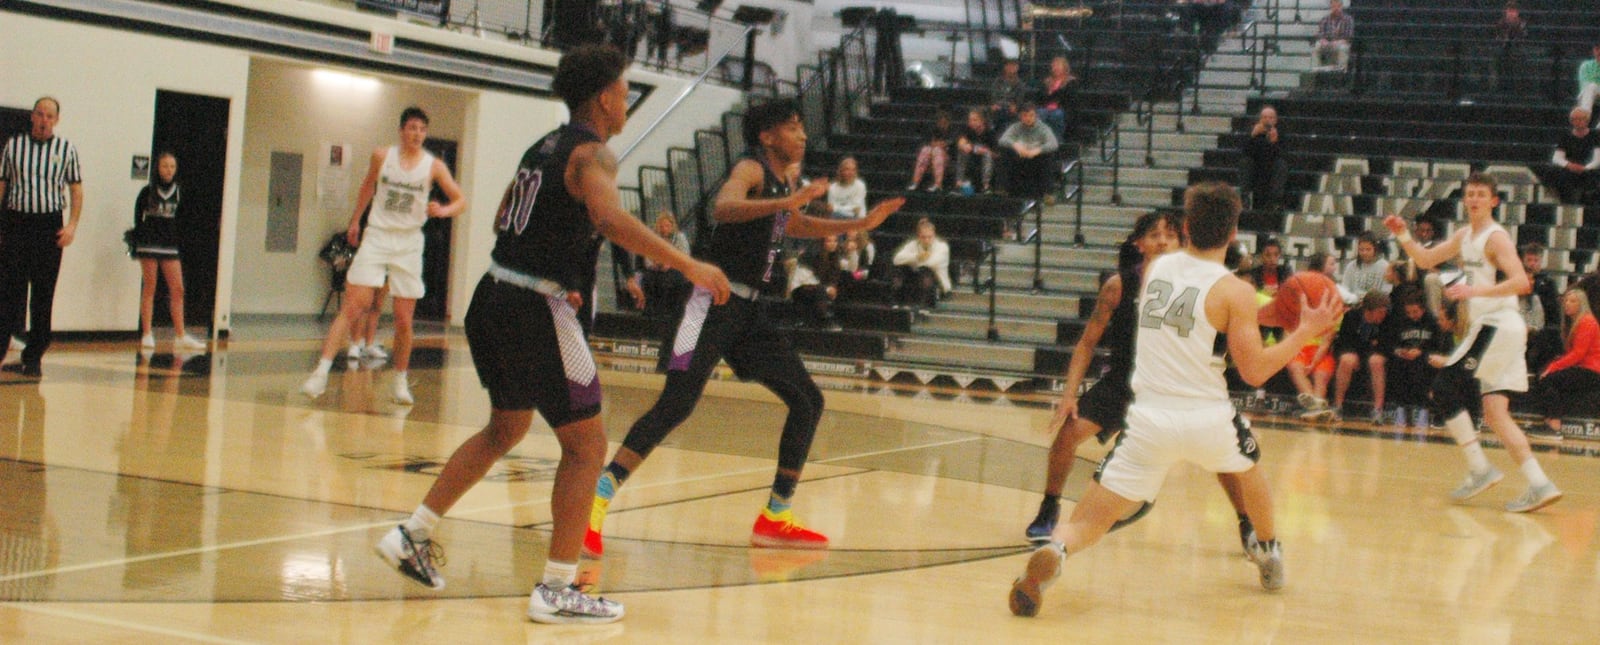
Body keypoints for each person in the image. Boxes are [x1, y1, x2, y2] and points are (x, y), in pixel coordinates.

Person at [372, 45, 731, 624]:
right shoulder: (594, 154)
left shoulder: (541, 148)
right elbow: (610, 219)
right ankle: (559, 586)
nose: (626, 99)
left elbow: (500, 221)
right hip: (535, 307)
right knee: (588, 446)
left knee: (505, 427)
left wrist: (559, 256)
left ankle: (413, 532)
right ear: (603, 97)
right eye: (622, 88)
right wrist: (689, 265)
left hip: (492, 295)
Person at [582, 99, 904, 559]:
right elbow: (726, 206)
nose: (803, 136)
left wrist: (860, 223)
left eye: (802, 128)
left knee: (808, 399)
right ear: (768, 136)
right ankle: (596, 499)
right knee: (676, 405)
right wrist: (787, 201)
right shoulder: (750, 169)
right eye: (793, 128)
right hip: (705, 300)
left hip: (748, 310)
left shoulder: (786, 181)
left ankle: (776, 515)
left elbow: (795, 221)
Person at [1009, 183, 1343, 617]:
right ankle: (1268, 550)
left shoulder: (1155, 270)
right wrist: (1302, 330)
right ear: (1234, 231)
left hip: (1148, 420)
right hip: (1208, 420)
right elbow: (1255, 370)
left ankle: (1057, 549)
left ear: (1185, 228)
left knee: (1090, 520)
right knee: (1249, 467)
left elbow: (1201, 304)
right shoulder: (1234, 291)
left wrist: (1267, 311)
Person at [1025, 210, 1261, 551]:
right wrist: (1069, 395)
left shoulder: (1198, 285)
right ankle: (1049, 507)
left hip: (1174, 386)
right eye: (1154, 235)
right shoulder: (1120, 285)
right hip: (1124, 382)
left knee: (1224, 457)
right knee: (1068, 433)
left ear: (1183, 243)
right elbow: (1087, 342)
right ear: (1139, 244)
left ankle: (1247, 523)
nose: (1163, 241)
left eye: (1170, 235)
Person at [1383, 172, 1563, 513]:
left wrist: (1474, 291)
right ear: (1464, 199)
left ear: (1494, 200)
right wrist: (1403, 234)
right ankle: (1540, 484)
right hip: (1501, 330)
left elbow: (1522, 282)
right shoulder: (1465, 234)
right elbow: (1424, 260)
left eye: (1482, 194)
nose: (1475, 199)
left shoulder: (1496, 239)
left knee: (1443, 388)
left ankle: (1480, 469)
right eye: (1470, 193)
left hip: (1498, 324)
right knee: (1496, 414)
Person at [301, 107, 466, 405]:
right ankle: (320, 373)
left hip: (408, 242)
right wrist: (355, 220)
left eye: (422, 129)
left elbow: (460, 200)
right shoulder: (381, 156)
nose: (417, 134)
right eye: (412, 128)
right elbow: (367, 186)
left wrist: (443, 210)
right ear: (402, 130)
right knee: (353, 305)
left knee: (404, 318)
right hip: (377, 236)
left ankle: (401, 380)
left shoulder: (434, 166)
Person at [0, 97, 82, 377]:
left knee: (43, 294)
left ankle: (33, 356)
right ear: (32, 116)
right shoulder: (14, 146)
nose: (44, 120)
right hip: (17, 223)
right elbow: (3, 183)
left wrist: (71, 225)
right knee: (8, 290)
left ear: (56, 120)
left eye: (49, 116)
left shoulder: (66, 149)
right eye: (39, 114)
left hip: (49, 226)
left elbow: (76, 189)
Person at [130, 152, 206, 351]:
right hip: (149, 242)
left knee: (178, 289)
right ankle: (146, 333)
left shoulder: (179, 191)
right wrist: (136, 241)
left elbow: (184, 218)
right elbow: (138, 217)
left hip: (169, 244)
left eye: (172, 166)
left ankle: (180, 335)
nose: (169, 170)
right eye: (165, 166)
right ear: (157, 168)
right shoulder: (147, 191)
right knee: (150, 287)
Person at [1524, 288, 1600, 441]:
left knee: (1548, 378)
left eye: (1572, 301)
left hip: (1591, 371)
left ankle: (1554, 426)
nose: (1567, 304)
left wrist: (1553, 367)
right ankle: (1549, 421)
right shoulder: (1575, 323)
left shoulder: (1587, 322)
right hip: (1584, 368)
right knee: (1546, 375)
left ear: (1581, 304)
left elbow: (1578, 354)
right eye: (1566, 300)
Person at [1382, 286, 1450, 429]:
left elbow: (1438, 347)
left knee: (1420, 367)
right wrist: (1400, 351)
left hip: (1425, 358)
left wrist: (1421, 352)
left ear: (1423, 308)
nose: (1412, 315)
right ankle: (1400, 408)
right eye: (1409, 312)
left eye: (1415, 312)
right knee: (1397, 367)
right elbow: (1391, 343)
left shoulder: (1432, 322)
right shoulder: (1400, 322)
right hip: (1404, 358)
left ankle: (1421, 409)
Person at [1330, 291, 1391, 423]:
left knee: (1376, 361)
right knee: (1347, 360)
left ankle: (1378, 410)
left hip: (1373, 354)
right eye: (1380, 311)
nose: (1383, 315)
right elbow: (1344, 342)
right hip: (1353, 352)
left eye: (1384, 311)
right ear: (1369, 310)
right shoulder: (1351, 316)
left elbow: (1386, 345)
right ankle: (1338, 406)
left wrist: (1371, 349)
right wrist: (1356, 352)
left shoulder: (1387, 320)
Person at [1530, 108, 1599, 206]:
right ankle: (1566, 199)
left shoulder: (1596, 136)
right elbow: (1557, 157)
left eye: (1581, 119)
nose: (1578, 122)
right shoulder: (1566, 137)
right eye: (1575, 119)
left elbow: (1597, 159)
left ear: (1587, 120)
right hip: (1570, 168)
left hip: (1589, 169)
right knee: (1553, 173)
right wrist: (1569, 165)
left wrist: (1585, 168)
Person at [635, 211, 692, 320]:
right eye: (661, 226)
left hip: (676, 269)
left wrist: (670, 264)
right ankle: (650, 311)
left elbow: (685, 257)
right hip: (657, 268)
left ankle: (667, 312)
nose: (664, 229)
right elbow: (648, 259)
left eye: (667, 226)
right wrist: (655, 265)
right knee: (647, 279)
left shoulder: (680, 238)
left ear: (672, 226)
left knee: (668, 280)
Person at [998, 102, 1059, 199]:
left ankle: (1048, 193)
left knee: (1049, 156)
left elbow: (1054, 144)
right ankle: (1003, 189)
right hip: (1020, 159)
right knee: (1005, 152)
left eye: (1031, 115)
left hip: (1036, 160)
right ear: (1020, 117)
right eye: (1025, 116)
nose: (1028, 118)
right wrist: (1015, 145)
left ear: (1036, 116)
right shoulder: (1015, 127)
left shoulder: (1043, 128)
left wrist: (1037, 150)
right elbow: (1002, 140)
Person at [1520, 243, 1563, 374]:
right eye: (1529, 260)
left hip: (1541, 330)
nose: (1532, 264)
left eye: (1535, 260)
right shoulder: (1515, 281)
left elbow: (1553, 313)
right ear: (1523, 260)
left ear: (1541, 261)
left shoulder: (1548, 283)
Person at [788, 234, 846, 330]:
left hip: (819, 287)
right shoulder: (811, 256)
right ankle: (824, 319)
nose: (833, 244)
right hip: (801, 288)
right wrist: (827, 289)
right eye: (829, 241)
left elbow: (834, 276)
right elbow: (807, 280)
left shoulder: (834, 256)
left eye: (835, 241)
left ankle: (838, 318)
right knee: (819, 291)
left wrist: (832, 287)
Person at [891, 217, 951, 309]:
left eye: (929, 237)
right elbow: (896, 260)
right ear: (918, 236)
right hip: (916, 277)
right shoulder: (912, 244)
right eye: (923, 237)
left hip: (936, 282)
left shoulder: (942, 247)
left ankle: (923, 305)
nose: (926, 240)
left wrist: (912, 260)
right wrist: (916, 257)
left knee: (925, 271)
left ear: (934, 235)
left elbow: (931, 263)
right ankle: (896, 302)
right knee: (900, 269)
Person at [1241, 106, 1287, 213]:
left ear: (1275, 120)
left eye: (1270, 118)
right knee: (1245, 162)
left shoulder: (1281, 133)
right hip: (1255, 165)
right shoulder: (1252, 132)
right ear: (1260, 119)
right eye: (1264, 117)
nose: (1267, 120)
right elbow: (1244, 152)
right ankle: (1244, 198)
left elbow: (1283, 155)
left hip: (1272, 166)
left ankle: (1276, 201)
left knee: (1281, 165)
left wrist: (1274, 142)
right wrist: (1253, 136)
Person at [954, 108, 999, 194]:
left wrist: (986, 151)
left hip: (985, 160)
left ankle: (986, 186)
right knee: (962, 151)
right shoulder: (967, 129)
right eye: (970, 120)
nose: (971, 122)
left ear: (982, 121)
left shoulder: (990, 132)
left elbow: (996, 154)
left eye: (974, 120)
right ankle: (958, 184)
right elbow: (960, 141)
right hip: (971, 158)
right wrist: (967, 146)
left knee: (987, 155)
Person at [907, 109, 953, 192]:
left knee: (937, 151)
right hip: (931, 158)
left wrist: (938, 146)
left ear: (948, 123)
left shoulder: (953, 132)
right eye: (940, 123)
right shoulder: (933, 131)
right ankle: (915, 182)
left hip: (946, 159)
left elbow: (948, 145)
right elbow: (930, 144)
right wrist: (936, 146)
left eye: (944, 123)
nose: (942, 125)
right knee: (925, 150)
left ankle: (938, 184)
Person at [1036, 56, 1078, 144]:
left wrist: (1052, 95)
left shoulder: (1071, 82)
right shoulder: (1047, 82)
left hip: (1062, 109)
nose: (1055, 68)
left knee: (1056, 115)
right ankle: (1041, 141)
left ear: (1064, 67)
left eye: (1058, 65)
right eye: (1054, 66)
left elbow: (1067, 98)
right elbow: (1041, 98)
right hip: (1046, 108)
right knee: (1040, 113)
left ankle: (1058, 141)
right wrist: (1055, 95)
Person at [1341, 232, 1392, 302]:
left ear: (1375, 249)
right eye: (1361, 250)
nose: (1364, 253)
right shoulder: (1351, 266)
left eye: (1368, 249)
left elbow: (1386, 291)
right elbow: (1345, 289)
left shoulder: (1385, 266)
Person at [988, 59, 1031, 133]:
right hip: (999, 106)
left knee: (1008, 112)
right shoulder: (998, 81)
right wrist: (995, 104)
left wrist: (1015, 106)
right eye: (1010, 65)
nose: (1012, 67)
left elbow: (1019, 100)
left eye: (1014, 66)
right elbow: (994, 96)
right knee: (994, 111)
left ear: (1017, 68)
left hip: (1010, 108)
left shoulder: (1020, 84)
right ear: (1005, 67)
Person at [1313, 0, 1354, 73]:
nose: (1336, 8)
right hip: (1328, 43)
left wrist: (1337, 42)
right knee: (1317, 46)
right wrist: (1323, 41)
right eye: (1334, 6)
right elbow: (1320, 34)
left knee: (1343, 48)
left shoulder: (1348, 19)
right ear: (1331, 7)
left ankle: (1341, 71)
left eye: (1338, 6)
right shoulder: (1325, 19)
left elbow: (1348, 37)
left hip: (1341, 43)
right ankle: (1316, 70)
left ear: (1341, 6)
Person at [1576, 44, 1600, 114]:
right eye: (1597, 49)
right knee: (1591, 87)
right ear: (1594, 51)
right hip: (1591, 97)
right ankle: (1584, 116)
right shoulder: (1586, 66)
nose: (1599, 52)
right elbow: (1585, 87)